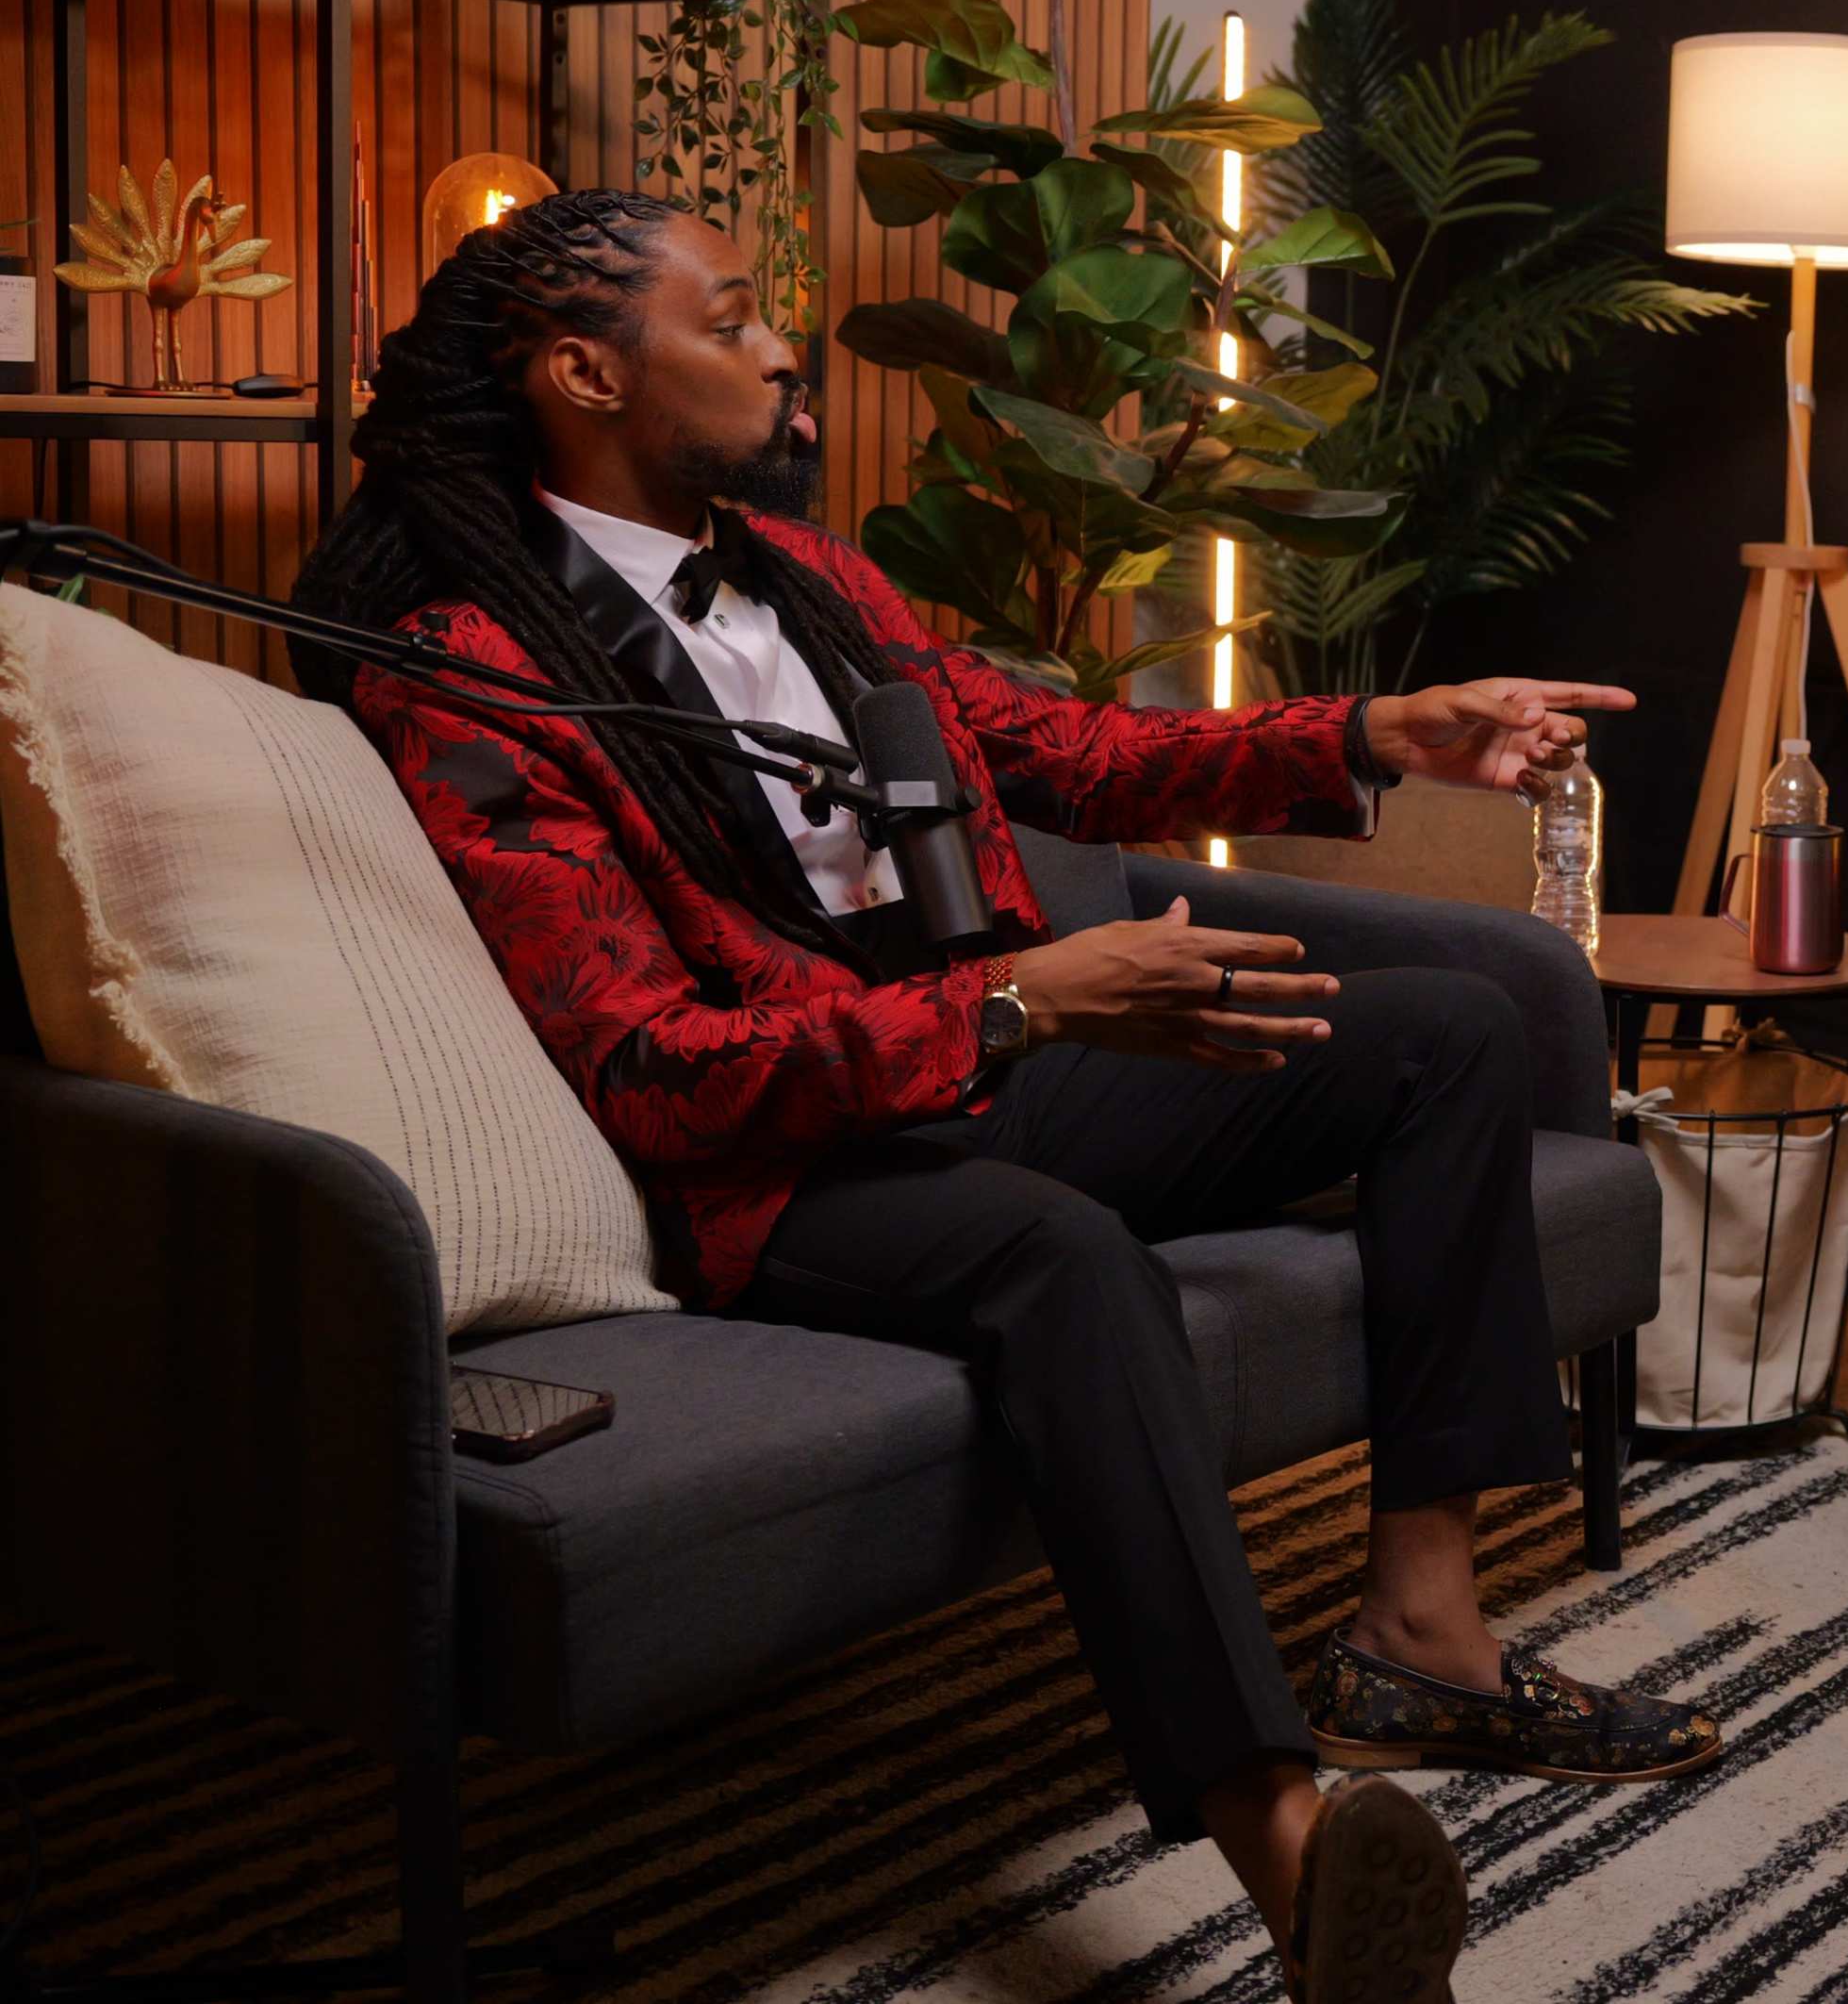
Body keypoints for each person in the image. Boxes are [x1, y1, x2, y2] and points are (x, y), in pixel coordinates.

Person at [292, 190, 1715, 2003]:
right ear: (584, 372)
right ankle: (1283, 1849)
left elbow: (1062, 748)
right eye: (732, 321)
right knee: (1062, 1261)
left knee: (1447, 1031)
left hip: (999, 1056)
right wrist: (1017, 1006)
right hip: (798, 1159)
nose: (782, 349)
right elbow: (652, 1074)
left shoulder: (816, 579)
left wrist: (1371, 735)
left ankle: (1422, 1632)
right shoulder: (476, 675)